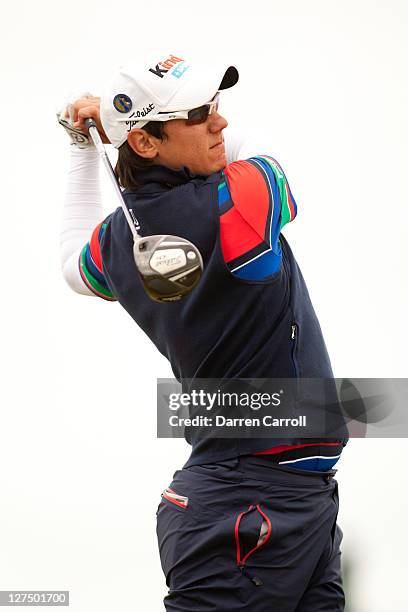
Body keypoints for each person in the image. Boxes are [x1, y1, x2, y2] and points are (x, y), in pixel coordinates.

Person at [58, 52, 348, 611]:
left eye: (216, 107)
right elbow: (269, 160)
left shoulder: (117, 241)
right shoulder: (234, 198)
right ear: (146, 143)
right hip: (246, 504)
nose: (220, 123)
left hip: (283, 501)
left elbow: (72, 263)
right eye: (197, 114)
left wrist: (85, 144)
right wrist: (113, 128)